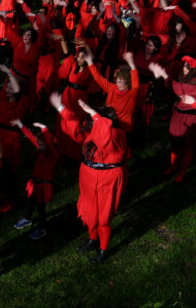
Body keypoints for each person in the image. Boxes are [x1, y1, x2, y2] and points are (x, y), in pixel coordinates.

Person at [51, 93, 127, 265]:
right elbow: (76, 128)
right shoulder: (94, 129)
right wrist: (61, 108)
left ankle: (103, 249)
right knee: (89, 209)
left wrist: (94, 114)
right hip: (88, 177)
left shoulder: (116, 135)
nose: (91, 121)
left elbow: (105, 135)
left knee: (103, 216)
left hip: (107, 179)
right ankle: (93, 240)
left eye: (95, 118)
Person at [149, 57, 196, 182]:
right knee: (175, 141)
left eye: (188, 66)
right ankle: (174, 166)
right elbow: (173, 87)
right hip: (178, 115)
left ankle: (182, 172)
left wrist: (194, 103)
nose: (184, 68)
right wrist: (164, 76)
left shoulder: (195, 82)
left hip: (191, 117)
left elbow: (180, 88)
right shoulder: (182, 78)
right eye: (184, 65)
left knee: (188, 146)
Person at [11, 119, 59, 240]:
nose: (40, 146)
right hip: (35, 184)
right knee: (30, 201)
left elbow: (48, 142)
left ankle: (42, 228)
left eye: (42, 144)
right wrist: (20, 124)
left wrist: (44, 128)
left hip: (44, 187)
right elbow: (30, 136)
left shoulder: (53, 155)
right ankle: (27, 218)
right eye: (40, 144)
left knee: (41, 208)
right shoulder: (40, 148)